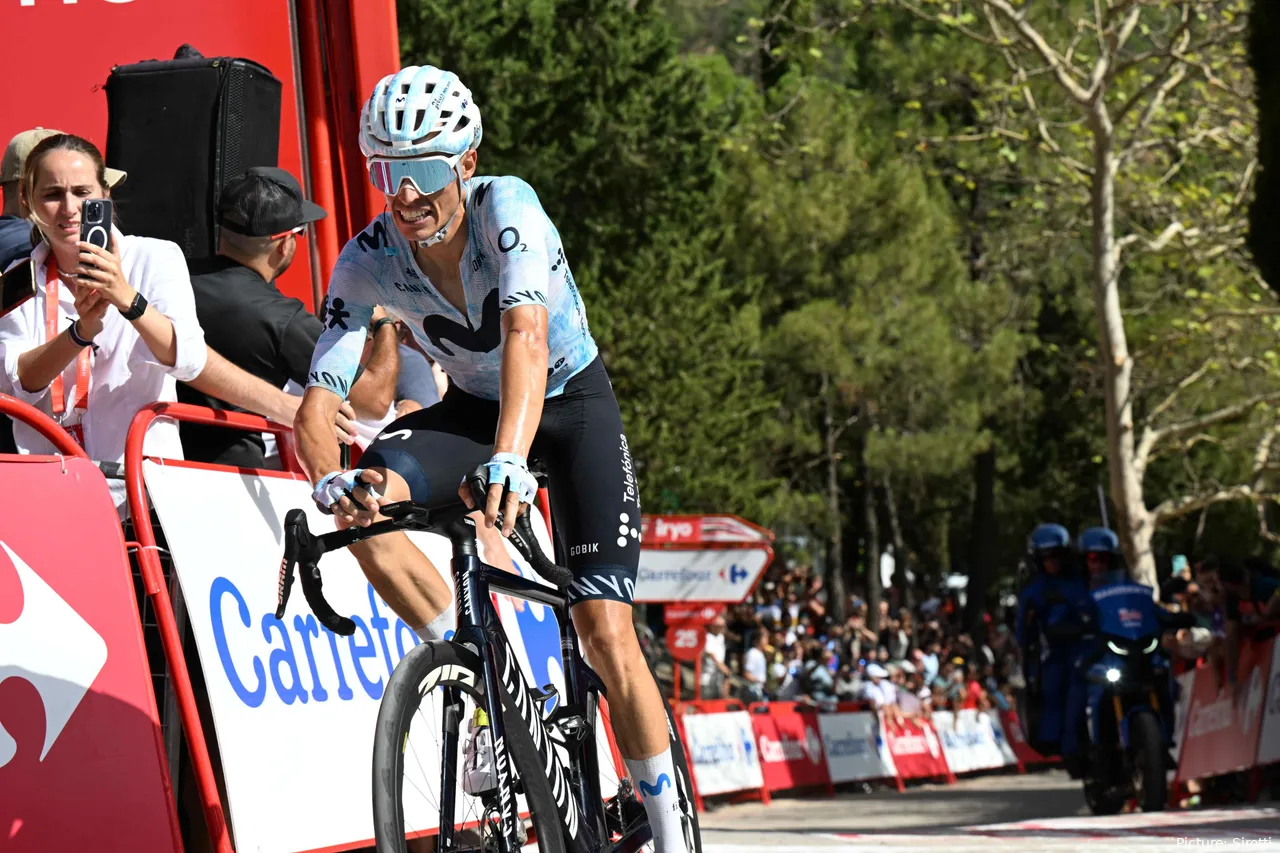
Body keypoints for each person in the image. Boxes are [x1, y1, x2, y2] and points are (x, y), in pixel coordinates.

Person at [292, 66, 689, 852]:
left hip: (567, 404)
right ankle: (486, 671)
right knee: (367, 501)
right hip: (474, 410)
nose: (403, 196)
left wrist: (512, 456)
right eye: (384, 174)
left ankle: (671, 828)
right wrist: (325, 476)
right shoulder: (367, 257)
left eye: (422, 172)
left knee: (605, 632)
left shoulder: (509, 208)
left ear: (465, 163)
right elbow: (317, 400)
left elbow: (526, 340)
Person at [178, 166, 397, 467]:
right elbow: (374, 402)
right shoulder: (283, 319)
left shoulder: (174, 278)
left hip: (150, 460)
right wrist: (385, 325)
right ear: (284, 243)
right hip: (230, 478)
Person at [1015, 522, 1090, 765]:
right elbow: (1023, 634)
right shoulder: (1033, 592)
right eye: (1046, 557)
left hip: (1094, 646)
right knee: (1056, 686)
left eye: (1057, 556)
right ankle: (1067, 747)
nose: (1052, 562)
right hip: (1058, 653)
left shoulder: (1084, 580)